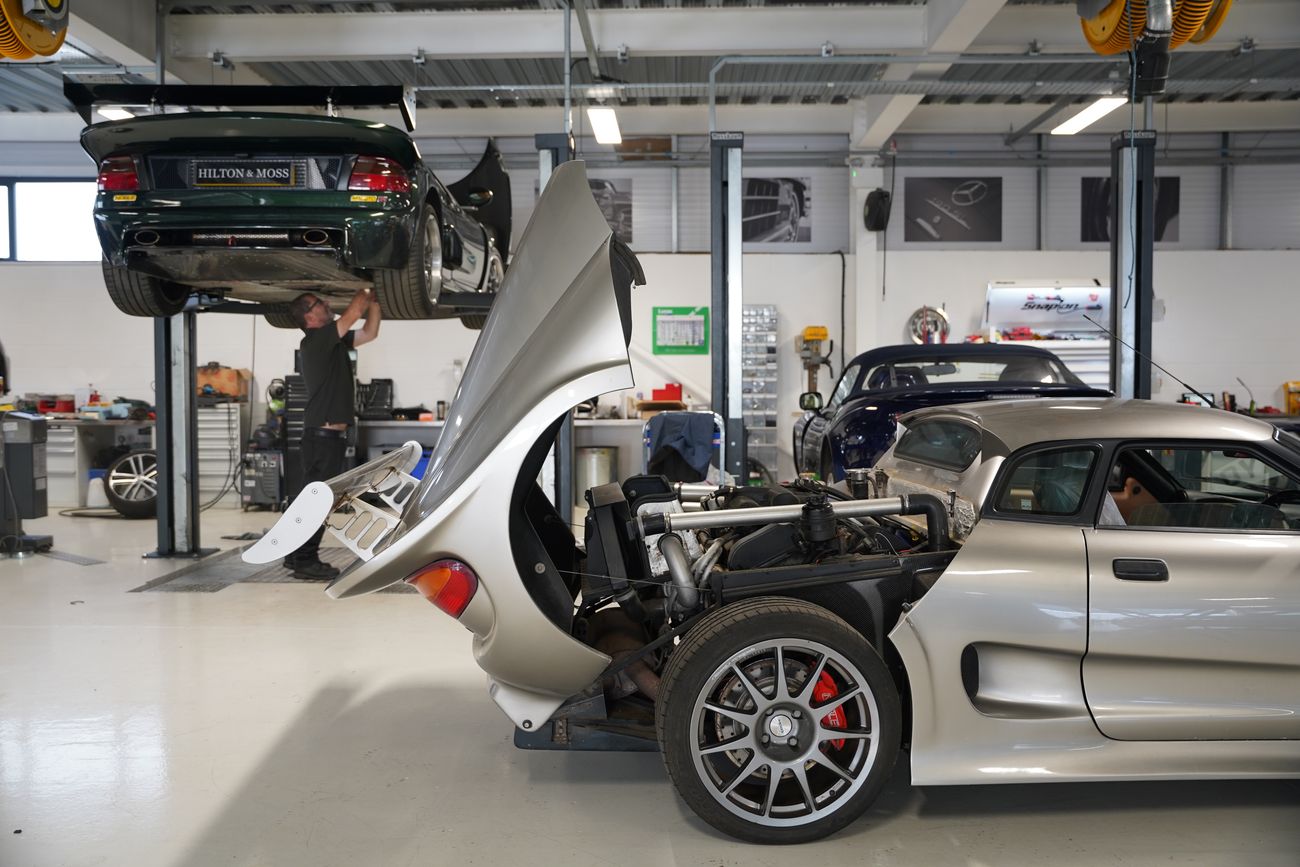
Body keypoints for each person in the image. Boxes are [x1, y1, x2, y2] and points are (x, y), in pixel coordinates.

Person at [284, 287, 381, 579]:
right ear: (309, 317)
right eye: (319, 303)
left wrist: (375, 303)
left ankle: (294, 555)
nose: (326, 303)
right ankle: (305, 561)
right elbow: (352, 314)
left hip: (326, 438)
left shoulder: (333, 342)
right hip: (322, 437)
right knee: (318, 501)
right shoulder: (315, 340)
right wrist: (367, 287)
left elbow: (370, 333)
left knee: (311, 499)